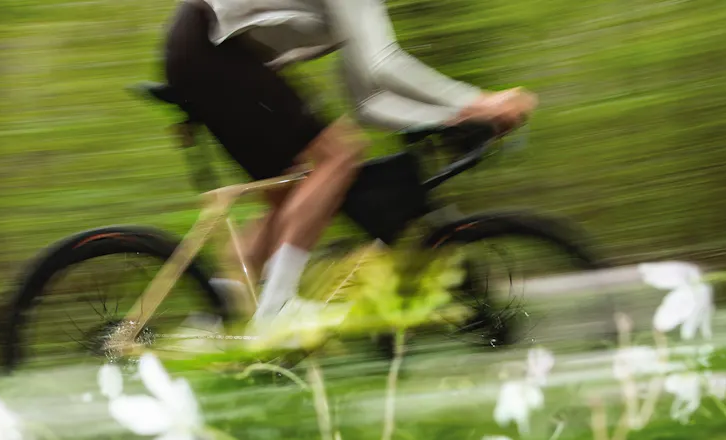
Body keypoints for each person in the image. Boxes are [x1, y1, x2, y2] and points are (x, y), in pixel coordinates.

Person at [161, 0, 537, 334]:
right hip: (212, 48)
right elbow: (383, 64)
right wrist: (479, 102)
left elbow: (368, 100)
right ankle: (277, 308)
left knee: (292, 190)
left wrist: (449, 117)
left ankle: (220, 317)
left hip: (208, 49)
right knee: (340, 155)